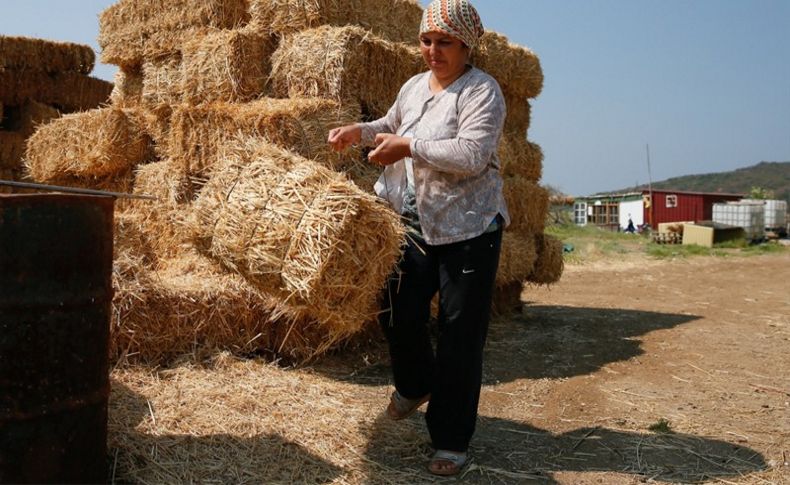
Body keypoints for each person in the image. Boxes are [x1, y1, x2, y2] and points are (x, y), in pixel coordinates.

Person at [327, 0, 507, 476]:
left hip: (468, 228)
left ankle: (450, 441)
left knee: (459, 337)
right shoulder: (412, 86)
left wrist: (408, 147)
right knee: (395, 311)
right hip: (412, 222)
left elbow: (471, 153)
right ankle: (415, 384)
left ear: (467, 45)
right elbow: (391, 125)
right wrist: (359, 131)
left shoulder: (481, 92)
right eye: (427, 41)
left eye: (444, 42)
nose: (433, 51)